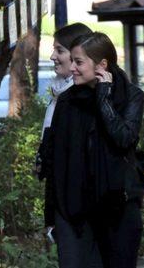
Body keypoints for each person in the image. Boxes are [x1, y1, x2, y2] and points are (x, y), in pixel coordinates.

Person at [45, 32, 144, 268]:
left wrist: (103, 97)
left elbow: (123, 138)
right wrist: (50, 216)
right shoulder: (67, 101)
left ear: (102, 65)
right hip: (74, 209)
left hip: (117, 208)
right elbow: (55, 160)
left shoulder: (130, 96)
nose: (72, 68)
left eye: (78, 62)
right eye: (72, 61)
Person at [36, 23, 101, 267]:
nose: (53, 56)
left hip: (81, 208)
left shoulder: (82, 100)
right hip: (65, 205)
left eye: (59, 50)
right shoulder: (60, 96)